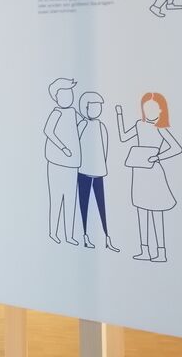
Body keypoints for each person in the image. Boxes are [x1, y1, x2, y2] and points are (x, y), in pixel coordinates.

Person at [116, 93, 182, 263]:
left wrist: (158, 157)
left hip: (153, 173)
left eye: (152, 108)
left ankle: (161, 252)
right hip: (139, 171)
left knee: (156, 211)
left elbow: (176, 148)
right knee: (141, 210)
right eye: (146, 108)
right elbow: (123, 137)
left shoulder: (160, 128)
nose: (149, 112)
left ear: (161, 110)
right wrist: (119, 116)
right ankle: (144, 250)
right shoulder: (140, 124)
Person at [76, 92, 119, 252]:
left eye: (99, 106)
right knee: (84, 205)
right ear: (86, 107)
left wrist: (101, 165)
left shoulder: (101, 126)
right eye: (93, 106)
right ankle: (85, 236)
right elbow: (77, 145)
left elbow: (105, 148)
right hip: (83, 171)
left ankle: (106, 238)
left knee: (102, 205)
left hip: (99, 171)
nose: (97, 109)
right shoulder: (82, 125)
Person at [43, 78, 82, 246]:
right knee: (56, 198)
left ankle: (69, 235)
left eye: (70, 93)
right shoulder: (57, 113)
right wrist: (63, 147)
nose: (68, 97)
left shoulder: (73, 112)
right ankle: (53, 232)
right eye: (64, 94)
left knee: (71, 199)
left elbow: (81, 125)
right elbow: (48, 131)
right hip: (57, 162)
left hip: (73, 164)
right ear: (56, 97)